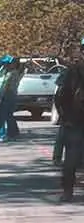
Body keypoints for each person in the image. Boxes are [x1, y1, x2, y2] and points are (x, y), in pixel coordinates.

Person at [54, 37, 84, 203]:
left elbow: (60, 97)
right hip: (75, 120)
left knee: (71, 159)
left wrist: (64, 117)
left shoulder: (73, 71)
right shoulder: (73, 71)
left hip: (75, 121)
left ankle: (67, 192)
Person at [0, 56, 23, 142]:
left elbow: (4, 87)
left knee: (2, 116)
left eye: (7, 64)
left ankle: (2, 135)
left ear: (12, 64)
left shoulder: (9, 74)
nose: (5, 66)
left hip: (7, 95)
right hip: (14, 95)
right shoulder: (17, 73)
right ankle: (13, 133)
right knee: (10, 115)